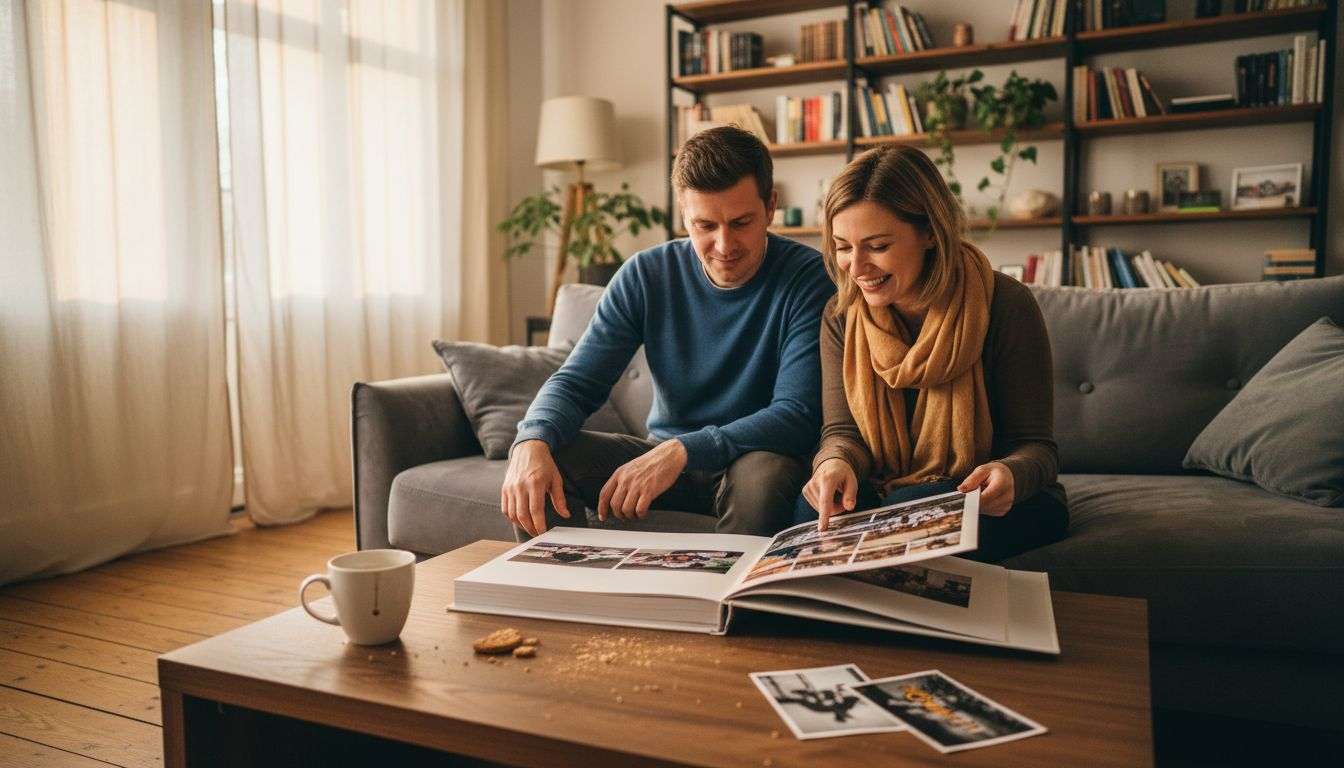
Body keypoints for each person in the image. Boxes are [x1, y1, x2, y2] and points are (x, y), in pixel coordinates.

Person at [501, 126, 835, 539]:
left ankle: (724, 604)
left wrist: (682, 450)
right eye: (705, 225)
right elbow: (576, 382)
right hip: (664, 457)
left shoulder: (810, 279)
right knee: (552, 458)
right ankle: (560, 595)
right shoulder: (646, 275)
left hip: (752, 460)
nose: (724, 244)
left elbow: (796, 414)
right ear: (683, 215)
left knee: (765, 475)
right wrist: (531, 438)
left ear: (770, 206)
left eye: (741, 222)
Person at [798, 145, 1067, 563]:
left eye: (877, 245)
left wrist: (1010, 473)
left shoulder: (1006, 304)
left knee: (915, 508)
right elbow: (843, 434)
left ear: (929, 232)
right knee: (810, 515)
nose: (856, 267)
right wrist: (833, 463)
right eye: (843, 247)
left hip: (998, 500)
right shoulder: (842, 316)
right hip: (893, 489)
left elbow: (1036, 448)